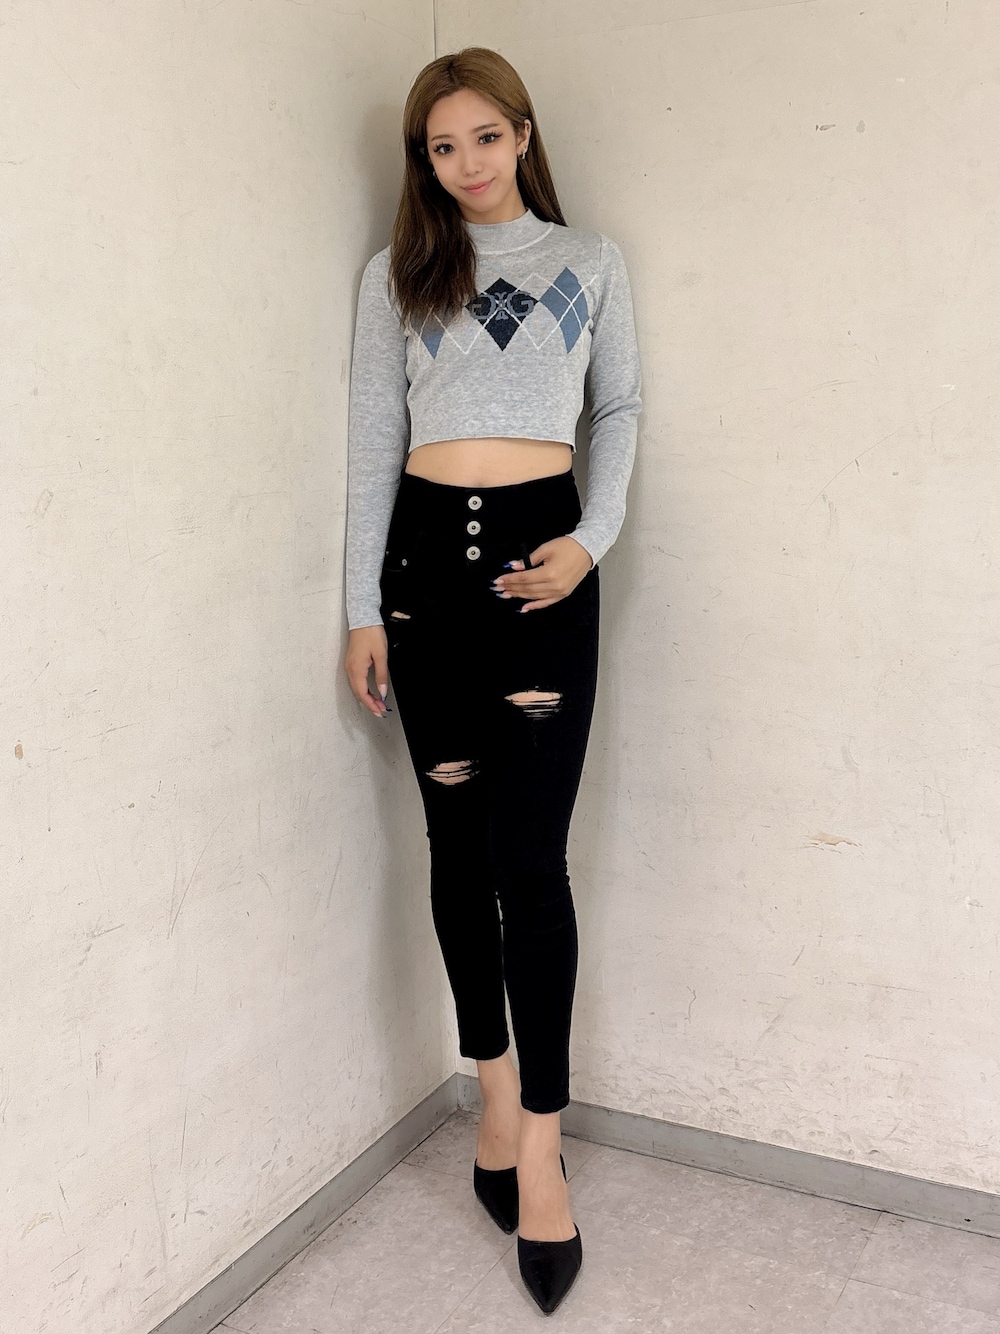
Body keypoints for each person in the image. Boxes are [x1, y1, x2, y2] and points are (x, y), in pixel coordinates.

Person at [343, 46, 641, 1315]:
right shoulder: (398, 274)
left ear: (522, 133)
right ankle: (495, 1097)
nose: (463, 162)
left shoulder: (588, 262)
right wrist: (360, 608)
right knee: (453, 851)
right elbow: (374, 440)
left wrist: (589, 541)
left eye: (481, 136)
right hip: (424, 576)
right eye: (439, 145)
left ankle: (544, 1146)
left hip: (542, 567)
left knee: (532, 861)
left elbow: (617, 410)